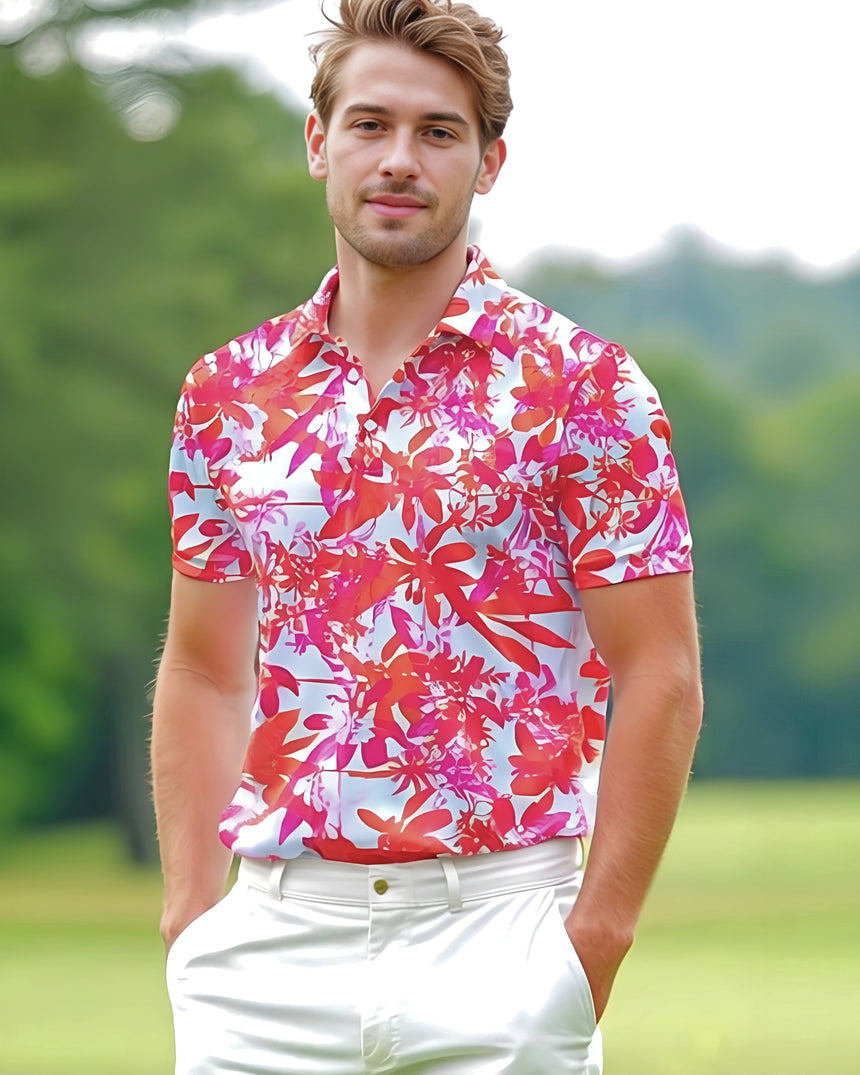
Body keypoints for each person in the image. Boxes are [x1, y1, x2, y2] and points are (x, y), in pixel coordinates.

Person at [151, 1, 703, 1072]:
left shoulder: (583, 389)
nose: (398, 160)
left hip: (499, 937)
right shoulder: (228, 393)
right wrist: (190, 917)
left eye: (437, 132)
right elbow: (204, 665)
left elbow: (660, 671)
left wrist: (591, 943)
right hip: (266, 950)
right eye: (368, 125)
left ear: (488, 161)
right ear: (318, 144)